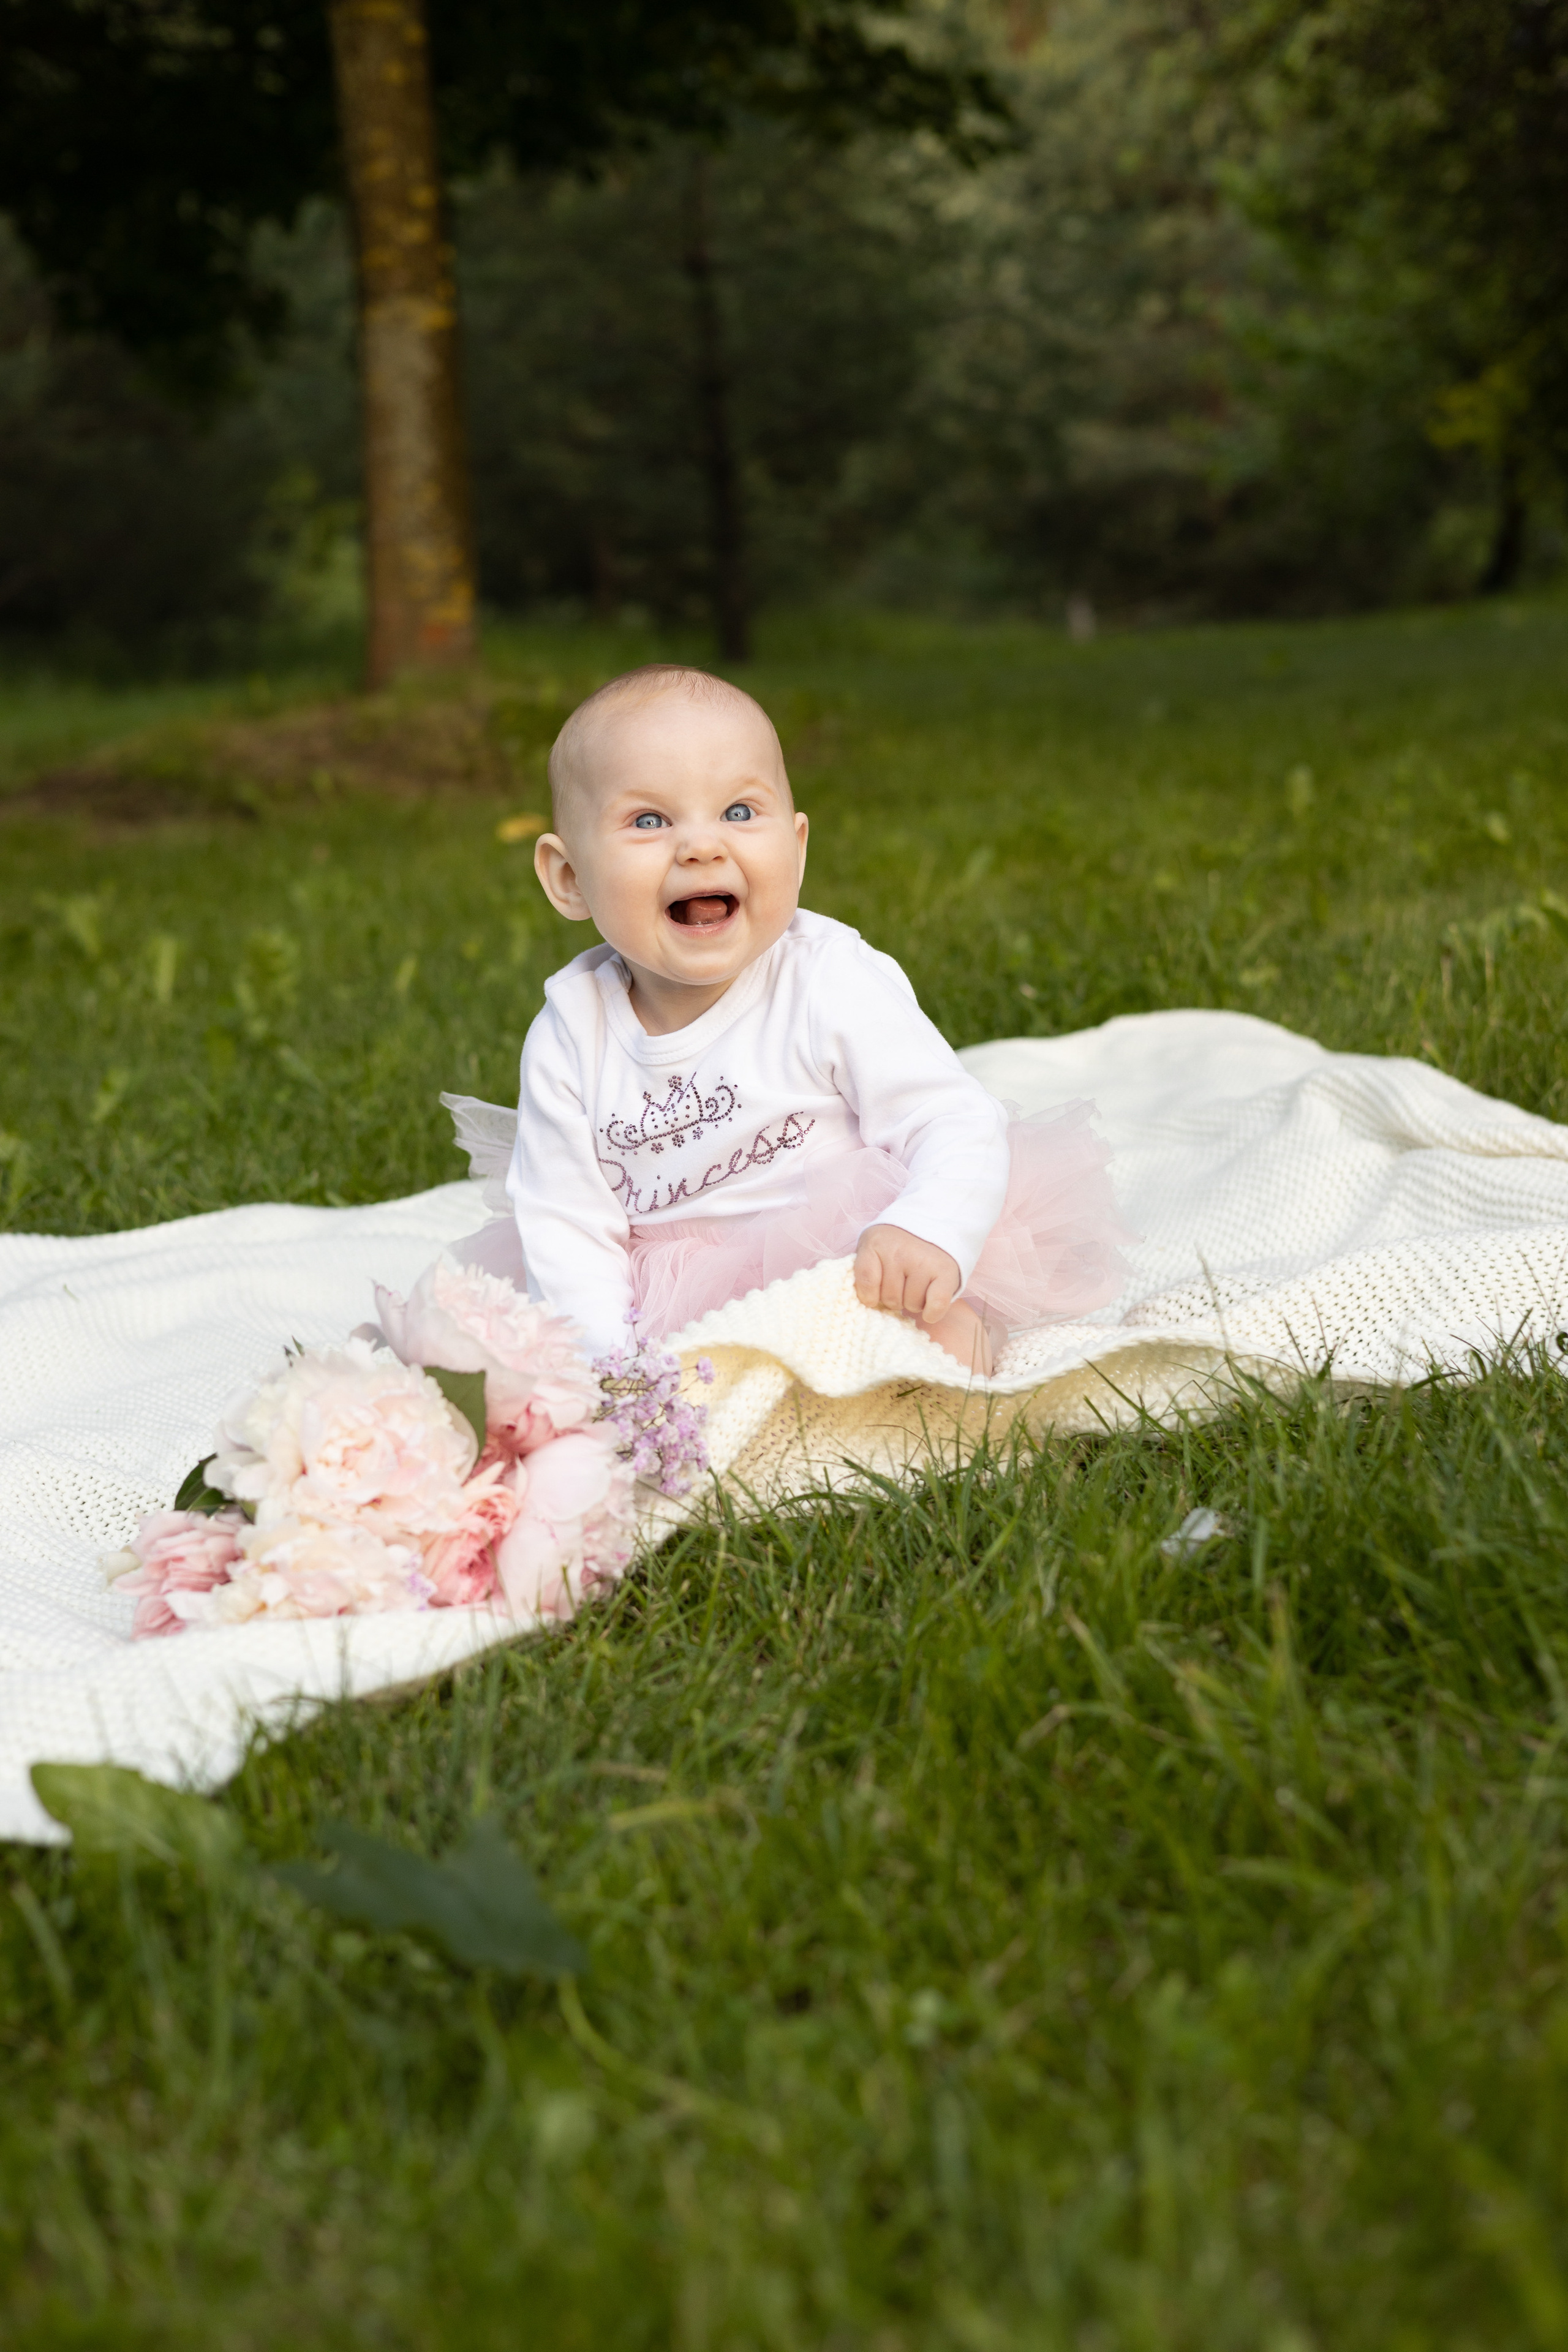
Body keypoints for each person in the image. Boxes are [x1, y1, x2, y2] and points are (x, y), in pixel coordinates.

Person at [501, 663, 1129, 1374]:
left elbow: (949, 1119)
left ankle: (949, 1355)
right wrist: (608, 1368)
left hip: (854, 1255)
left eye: (739, 812)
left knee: (932, 1346)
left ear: (796, 849)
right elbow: (567, 1224)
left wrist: (924, 1228)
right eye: (649, 820)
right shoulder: (569, 1032)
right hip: (675, 1300)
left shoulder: (826, 978)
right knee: (657, 1393)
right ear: (569, 878)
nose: (702, 846)